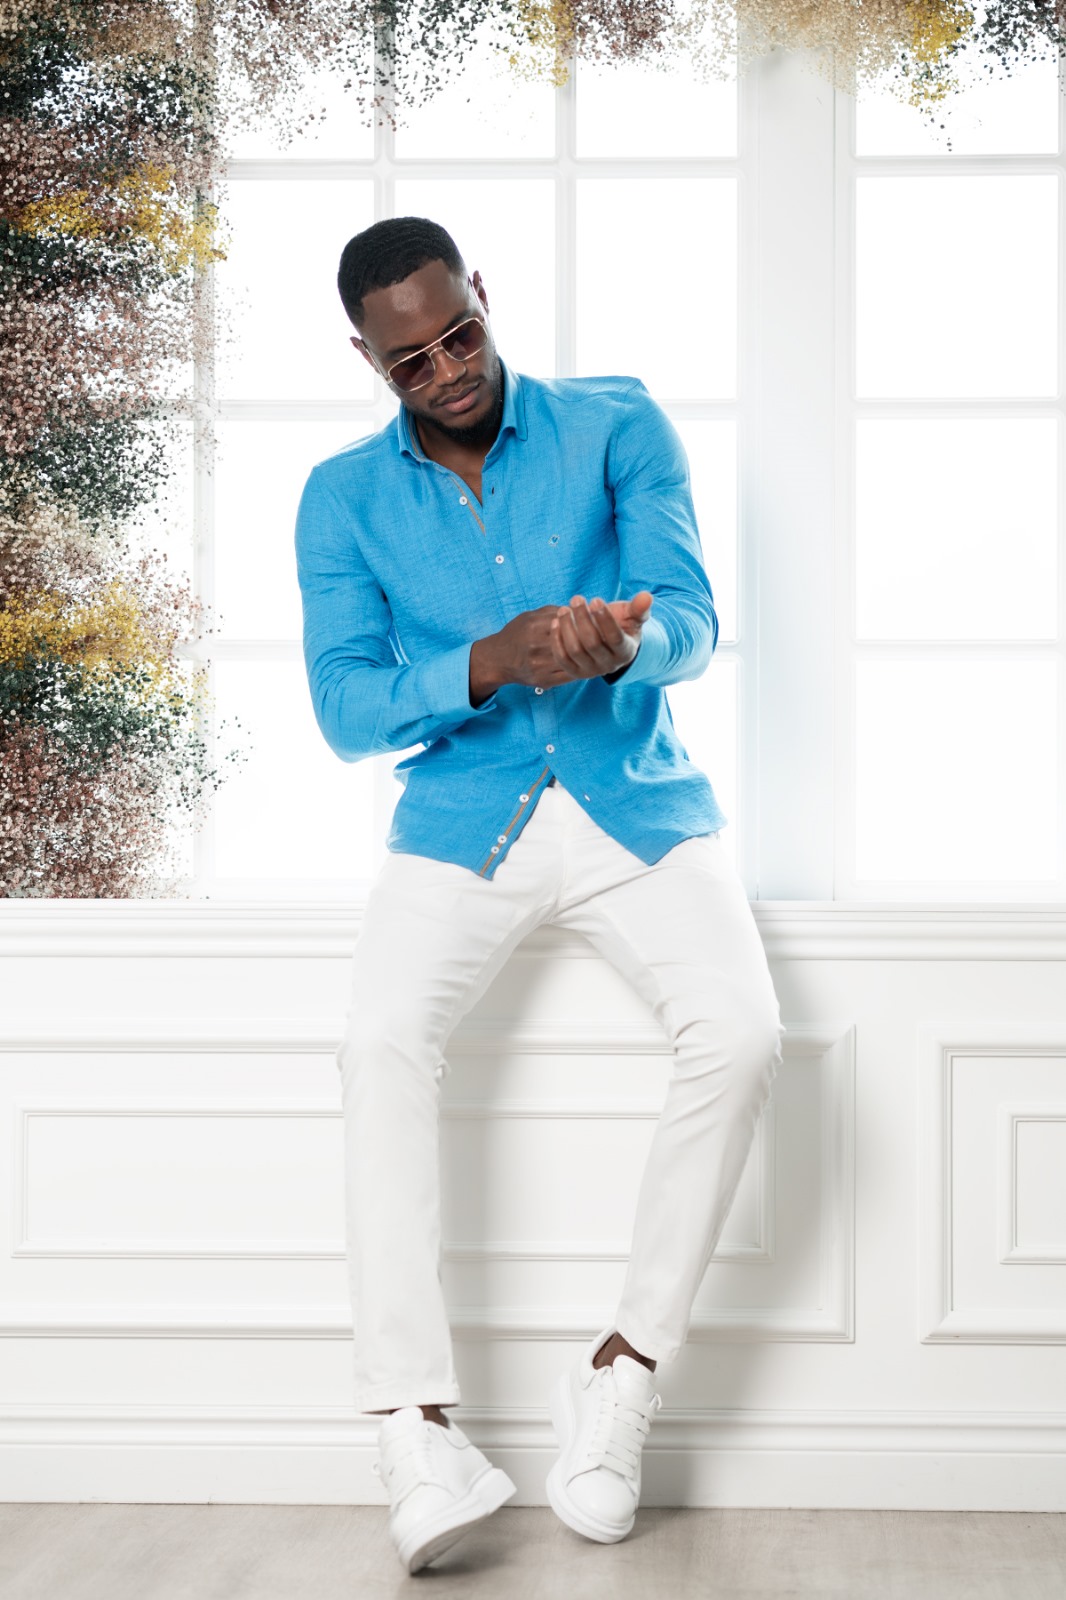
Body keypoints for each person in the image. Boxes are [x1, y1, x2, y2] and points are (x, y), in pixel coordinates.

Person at [294, 215, 785, 1575]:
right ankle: (414, 1428)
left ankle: (623, 1374)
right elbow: (343, 709)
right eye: (410, 361)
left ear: (481, 296)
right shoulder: (341, 498)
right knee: (378, 1046)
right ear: (369, 361)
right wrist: (488, 663)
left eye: (460, 335)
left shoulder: (618, 424)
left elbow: (692, 620)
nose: (447, 370)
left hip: (633, 801)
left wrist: (625, 647)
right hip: (465, 820)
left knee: (743, 1033)